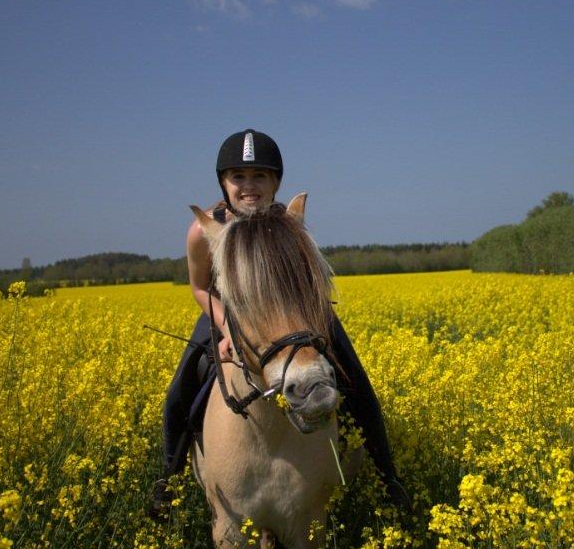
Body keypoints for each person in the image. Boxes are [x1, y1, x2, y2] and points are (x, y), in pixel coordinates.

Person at [149, 129, 408, 520]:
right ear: (224, 182)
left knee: (356, 380)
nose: (248, 187)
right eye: (239, 177)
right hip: (228, 314)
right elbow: (200, 287)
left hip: (292, 315)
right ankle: (166, 481)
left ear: (275, 182)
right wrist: (227, 330)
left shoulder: (288, 226)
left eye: (260, 177)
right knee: (182, 386)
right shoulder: (204, 230)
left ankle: (388, 478)